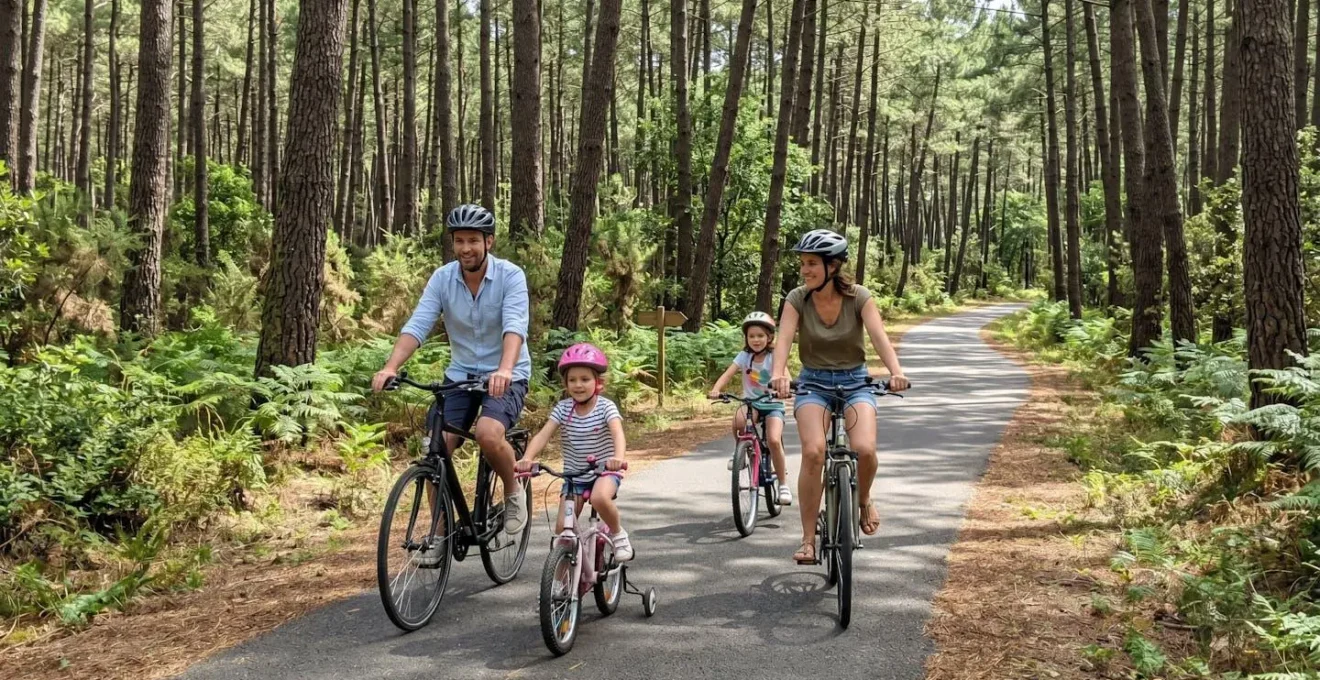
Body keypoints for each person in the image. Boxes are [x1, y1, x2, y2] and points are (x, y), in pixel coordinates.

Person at [371, 204, 533, 535]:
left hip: (507, 374)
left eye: (473, 240)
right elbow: (418, 324)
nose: (465, 248)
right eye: (459, 241)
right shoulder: (443, 278)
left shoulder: (510, 276)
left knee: (488, 434)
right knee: (435, 446)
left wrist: (503, 369)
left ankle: (514, 490)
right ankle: (440, 532)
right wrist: (390, 367)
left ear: (489, 241)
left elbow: (515, 326)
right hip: (460, 375)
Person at [769, 228, 910, 564]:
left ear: (832, 266)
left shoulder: (859, 297)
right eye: (803, 264)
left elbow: (879, 336)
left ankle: (862, 500)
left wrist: (896, 372)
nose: (805, 270)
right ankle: (807, 539)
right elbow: (784, 340)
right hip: (813, 384)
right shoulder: (796, 299)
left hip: (856, 381)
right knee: (814, 452)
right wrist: (779, 374)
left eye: (812, 264)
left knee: (865, 450)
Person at [515, 343, 633, 561]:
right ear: (565, 383)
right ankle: (563, 580)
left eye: (585, 379)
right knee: (563, 529)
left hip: (604, 472)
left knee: (599, 498)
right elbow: (543, 435)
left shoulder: (605, 407)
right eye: (572, 380)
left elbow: (618, 434)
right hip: (574, 476)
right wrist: (527, 458)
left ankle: (618, 534)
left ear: (598, 382)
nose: (578, 385)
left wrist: (618, 458)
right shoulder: (562, 409)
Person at [708, 311, 793, 507]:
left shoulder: (774, 356)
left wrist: (784, 389)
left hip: (773, 404)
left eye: (760, 336)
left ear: (769, 337)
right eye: (752, 336)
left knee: (773, 439)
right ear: (746, 338)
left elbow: (785, 376)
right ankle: (741, 452)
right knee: (738, 421)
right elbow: (728, 373)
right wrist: (716, 389)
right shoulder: (744, 356)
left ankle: (783, 484)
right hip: (751, 403)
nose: (756, 340)